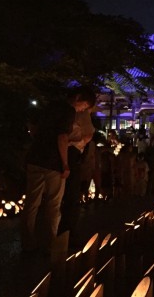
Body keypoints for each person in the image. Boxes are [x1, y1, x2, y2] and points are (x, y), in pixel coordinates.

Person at [21, 86, 95, 255]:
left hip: (35, 158)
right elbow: (62, 137)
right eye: (84, 105)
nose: (82, 109)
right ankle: (50, 243)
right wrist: (65, 163)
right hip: (53, 162)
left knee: (31, 203)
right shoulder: (68, 110)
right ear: (77, 97)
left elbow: (33, 127)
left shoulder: (49, 106)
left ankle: (27, 243)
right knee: (53, 204)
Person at [58, 88, 97, 245]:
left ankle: (57, 232)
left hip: (60, 151)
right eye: (85, 105)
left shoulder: (58, 109)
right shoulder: (76, 113)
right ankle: (67, 233)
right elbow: (88, 134)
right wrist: (77, 143)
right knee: (71, 195)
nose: (84, 109)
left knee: (59, 196)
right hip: (71, 152)